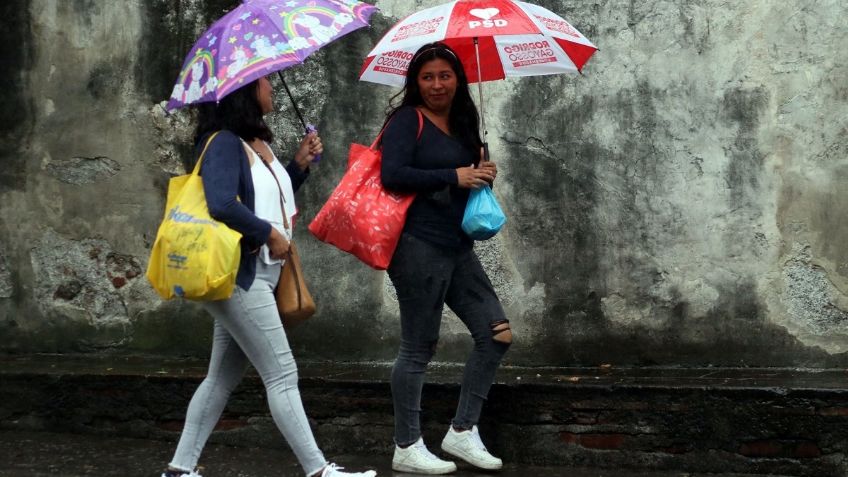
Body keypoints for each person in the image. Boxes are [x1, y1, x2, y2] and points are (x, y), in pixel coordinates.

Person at [161, 76, 377, 477]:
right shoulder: (224, 142)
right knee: (281, 373)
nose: (271, 88)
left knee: (220, 379)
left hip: (262, 272)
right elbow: (223, 203)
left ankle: (179, 470)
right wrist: (269, 234)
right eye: (264, 82)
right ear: (245, 91)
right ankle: (319, 470)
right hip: (241, 274)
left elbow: (271, 201)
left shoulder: (256, 144)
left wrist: (298, 165)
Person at [380, 42, 512, 474]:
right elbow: (393, 175)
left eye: (445, 75)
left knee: (496, 335)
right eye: (427, 77)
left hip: (458, 247)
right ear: (415, 83)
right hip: (417, 246)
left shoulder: (463, 122)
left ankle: (461, 431)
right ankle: (406, 445)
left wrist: (480, 173)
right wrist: (452, 175)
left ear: (458, 79)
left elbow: (464, 178)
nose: (437, 84)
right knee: (419, 348)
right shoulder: (407, 120)